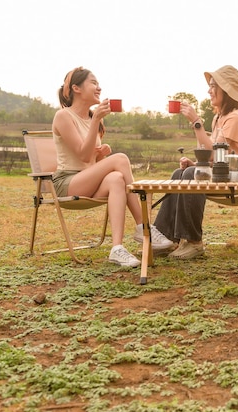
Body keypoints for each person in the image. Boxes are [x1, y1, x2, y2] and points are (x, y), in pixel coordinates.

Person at [51, 67, 174, 267]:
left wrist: (100, 156)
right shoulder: (64, 116)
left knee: (117, 178)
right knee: (121, 159)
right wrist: (97, 121)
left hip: (87, 180)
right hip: (68, 182)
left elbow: (89, 160)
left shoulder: (92, 119)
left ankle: (116, 248)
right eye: (93, 82)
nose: (99, 87)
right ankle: (144, 227)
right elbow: (82, 155)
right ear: (76, 88)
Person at [154, 65, 238, 259]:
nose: (209, 90)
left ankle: (194, 241)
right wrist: (196, 163)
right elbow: (213, 156)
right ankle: (166, 239)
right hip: (222, 171)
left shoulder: (236, 117)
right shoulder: (220, 117)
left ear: (226, 90)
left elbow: (215, 155)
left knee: (192, 176)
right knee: (180, 174)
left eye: (213, 86)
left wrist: (196, 122)